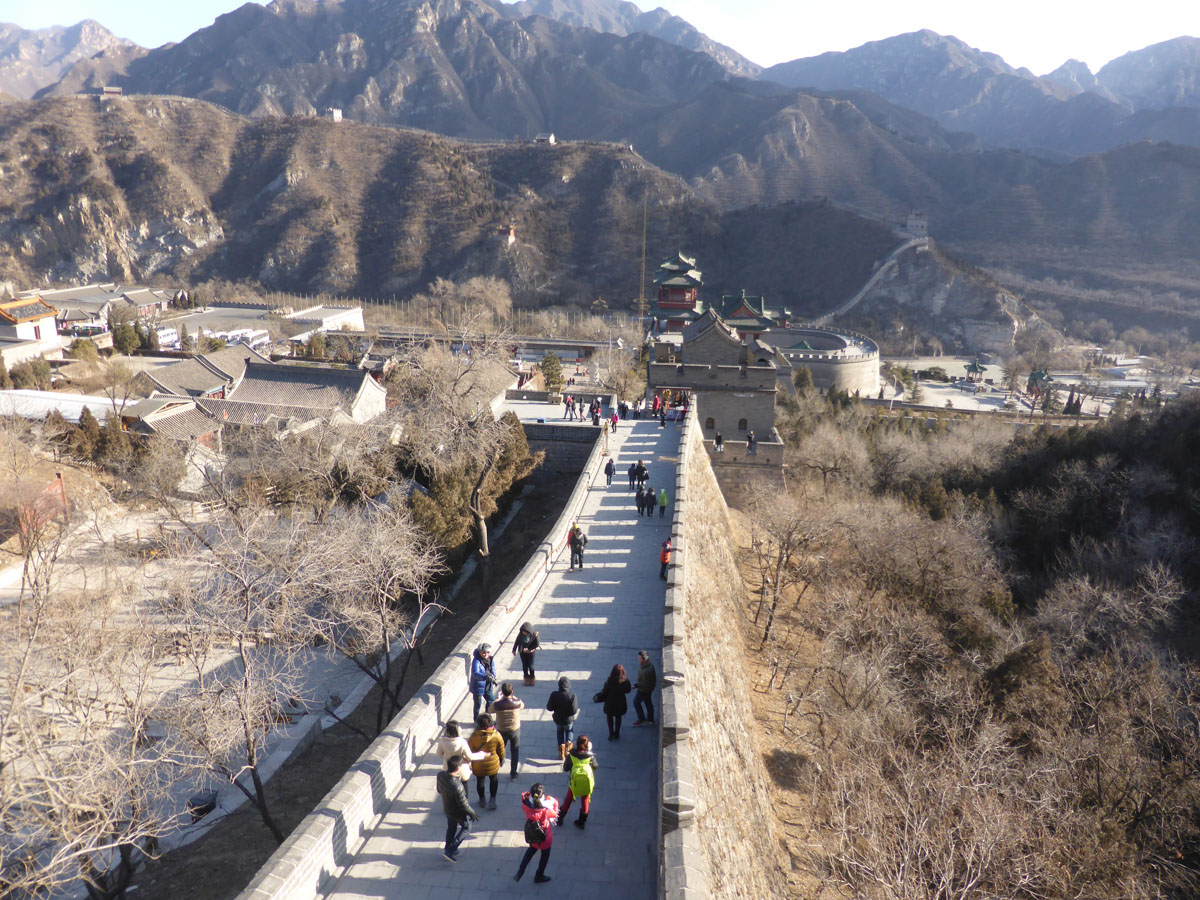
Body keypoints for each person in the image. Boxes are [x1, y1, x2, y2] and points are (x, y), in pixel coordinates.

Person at [437, 755, 479, 862]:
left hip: (447, 808)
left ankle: (448, 847)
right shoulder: (458, 786)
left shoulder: (441, 775)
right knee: (467, 827)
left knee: (451, 827)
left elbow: (439, 790)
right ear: (458, 768)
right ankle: (450, 850)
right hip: (456, 812)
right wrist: (472, 813)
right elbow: (463, 805)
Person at [514, 782, 558, 884]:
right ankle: (539, 875)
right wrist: (552, 800)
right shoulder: (545, 811)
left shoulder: (526, 805)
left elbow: (523, 795)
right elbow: (555, 812)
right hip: (545, 837)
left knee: (530, 851)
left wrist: (529, 795)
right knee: (544, 857)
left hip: (532, 834)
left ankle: (520, 871)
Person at [556, 735, 598, 829]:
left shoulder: (572, 755)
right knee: (585, 799)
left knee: (568, 799)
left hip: (574, 782)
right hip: (587, 782)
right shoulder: (590, 756)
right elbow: (595, 766)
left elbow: (566, 768)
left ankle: (560, 818)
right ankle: (582, 822)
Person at [468, 713, 505, 810]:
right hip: (493, 762)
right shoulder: (496, 735)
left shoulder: (474, 736)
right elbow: (501, 749)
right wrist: (501, 759)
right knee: (494, 780)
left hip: (478, 763)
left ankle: (482, 799)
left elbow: (469, 750)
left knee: (480, 781)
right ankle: (492, 799)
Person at [489, 682, 525, 779]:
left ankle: (500, 761)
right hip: (514, 730)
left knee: (501, 747)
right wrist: (514, 697)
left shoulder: (498, 704)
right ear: (512, 692)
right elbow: (522, 705)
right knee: (515, 750)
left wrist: (498, 699)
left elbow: (490, 710)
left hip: (502, 729)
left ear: (502, 692)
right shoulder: (517, 703)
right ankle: (513, 772)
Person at [546, 677, 579, 760]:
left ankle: (561, 751)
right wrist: (568, 714)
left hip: (558, 718)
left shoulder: (554, 694)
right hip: (568, 719)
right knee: (569, 731)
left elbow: (549, 707)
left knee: (559, 732)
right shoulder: (572, 696)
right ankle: (568, 746)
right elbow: (574, 710)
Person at [598, 664, 632, 741]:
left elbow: (605, 692)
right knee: (618, 717)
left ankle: (611, 734)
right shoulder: (625, 681)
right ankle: (617, 734)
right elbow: (628, 690)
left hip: (610, 703)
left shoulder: (609, 681)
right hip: (620, 703)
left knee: (609, 717)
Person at [469, 643, 497, 721]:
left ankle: (486, 718)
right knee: (478, 704)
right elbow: (475, 673)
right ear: (480, 652)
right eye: (483, 652)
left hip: (488, 685)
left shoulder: (491, 660)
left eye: (488, 652)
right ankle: (476, 719)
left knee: (491, 700)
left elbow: (493, 670)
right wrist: (484, 676)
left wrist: (493, 676)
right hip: (478, 686)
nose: (486, 654)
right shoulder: (476, 661)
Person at [632, 651, 657, 726]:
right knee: (648, 702)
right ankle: (650, 719)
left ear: (644, 659)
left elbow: (644, 684)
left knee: (636, 702)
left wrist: (636, 685)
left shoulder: (647, 670)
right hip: (649, 689)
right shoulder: (648, 664)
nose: (638, 660)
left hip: (644, 690)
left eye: (639, 658)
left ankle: (641, 719)